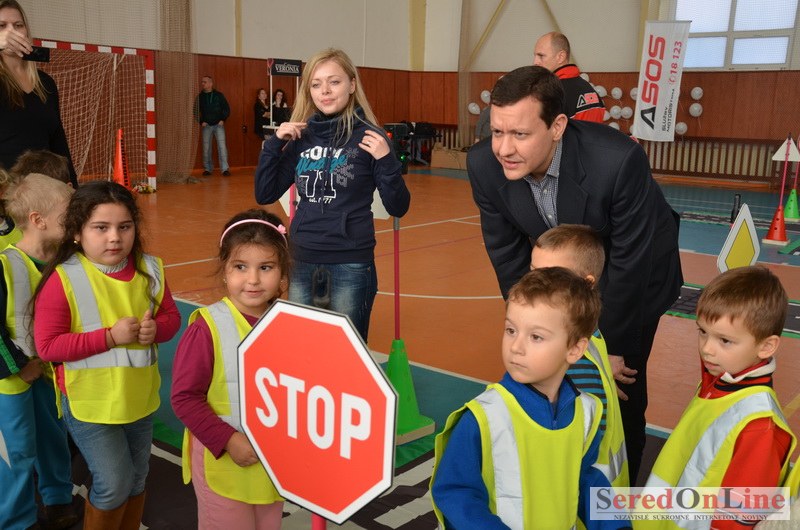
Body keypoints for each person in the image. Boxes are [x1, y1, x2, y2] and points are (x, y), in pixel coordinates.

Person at [468, 65, 682, 485]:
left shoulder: (617, 161)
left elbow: (631, 262)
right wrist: (530, 320)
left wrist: (611, 347)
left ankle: (617, 494)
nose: (504, 148)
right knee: (549, 371)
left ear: (558, 126)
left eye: (520, 134)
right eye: (497, 132)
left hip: (633, 276)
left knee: (617, 390)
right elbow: (506, 252)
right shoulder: (483, 165)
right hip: (564, 267)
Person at [430, 267, 629, 529]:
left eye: (536, 337)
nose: (516, 346)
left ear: (575, 349)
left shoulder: (587, 413)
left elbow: (586, 480)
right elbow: (456, 493)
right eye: (511, 330)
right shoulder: (483, 417)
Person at [33, 180, 181, 529]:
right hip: (90, 404)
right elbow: (48, 347)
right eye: (101, 228)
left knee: (137, 478)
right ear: (77, 233)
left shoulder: (151, 269)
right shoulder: (63, 279)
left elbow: (171, 318)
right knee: (114, 483)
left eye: (124, 227)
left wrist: (157, 330)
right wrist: (110, 337)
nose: (114, 237)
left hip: (138, 399)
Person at [254, 48, 410, 341]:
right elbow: (265, 192)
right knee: (303, 344)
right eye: (316, 84)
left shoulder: (370, 137)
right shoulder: (301, 137)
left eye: (334, 82)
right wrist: (274, 144)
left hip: (351, 262)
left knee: (345, 348)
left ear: (352, 85)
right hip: (302, 257)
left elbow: (398, 206)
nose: (324, 91)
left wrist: (387, 160)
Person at [644, 266, 796, 528]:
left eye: (724, 340)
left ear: (766, 346)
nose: (707, 349)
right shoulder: (717, 383)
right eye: (702, 332)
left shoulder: (759, 427)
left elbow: (738, 518)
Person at [172, 209, 290, 529]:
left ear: (282, 274)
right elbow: (184, 398)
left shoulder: (289, 324)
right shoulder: (207, 328)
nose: (252, 279)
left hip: (272, 467)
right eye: (240, 267)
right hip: (224, 461)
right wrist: (228, 440)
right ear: (224, 270)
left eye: (265, 267)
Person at [0, 173, 77, 530]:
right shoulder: (5, 264)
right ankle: (17, 520)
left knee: (53, 436)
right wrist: (19, 366)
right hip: (12, 379)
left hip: (48, 372)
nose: (75, 220)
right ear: (38, 220)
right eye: (68, 213)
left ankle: (58, 499)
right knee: (16, 450)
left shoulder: (67, 261)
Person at [531, 224, 628, 487]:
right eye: (533, 272)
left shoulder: (570, 358)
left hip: (580, 490)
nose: (535, 285)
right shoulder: (589, 329)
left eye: (551, 276)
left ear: (587, 283)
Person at [0, 0, 79, 188]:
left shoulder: (45, 83)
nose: (11, 32)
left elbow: (58, 144)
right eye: (2, 26)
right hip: (6, 192)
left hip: (45, 192)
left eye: (18, 25)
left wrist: (74, 190)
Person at [533, 31, 605, 123]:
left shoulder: (552, 92)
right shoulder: (589, 89)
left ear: (561, 57)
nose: (535, 62)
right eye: (535, 56)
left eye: (541, 56)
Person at [196, 75, 230, 176]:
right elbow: (195, 110)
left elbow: (226, 108)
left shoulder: (219, 95)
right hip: (206, 126)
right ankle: (208, 169)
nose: (202, 83)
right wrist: (201, 121)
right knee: (206, 148)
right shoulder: (200, 97)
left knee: (222, 147)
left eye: (205, 82)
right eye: (202, 82)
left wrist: (223, 119)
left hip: (219, 125)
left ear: (211, 84)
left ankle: (225, 169)